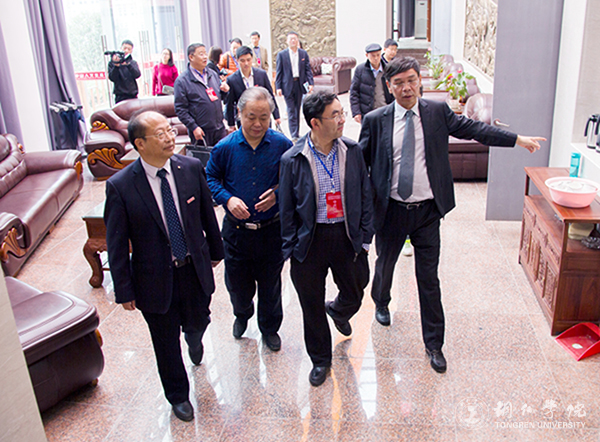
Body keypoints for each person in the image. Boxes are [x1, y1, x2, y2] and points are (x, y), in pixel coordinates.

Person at [359, 57, 545, 374]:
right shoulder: (376, 120)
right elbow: (359, 163)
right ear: (389, 86)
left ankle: (434, 344)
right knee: (385, 263)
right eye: (399, 83)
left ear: (419, 80)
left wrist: (516, 139)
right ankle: (381, 301)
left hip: (428, 212)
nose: (406, 88)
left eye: (411, 80)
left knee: (429, 279)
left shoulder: (436, 111)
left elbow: (474, 129)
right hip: (391, 211)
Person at [104, 110, 224, 422]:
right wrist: (124, 289)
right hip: (153, 279)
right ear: (140, 144)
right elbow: (116, 243)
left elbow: (207, 215)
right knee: (165, 343)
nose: (170, 137)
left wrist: (216, 250)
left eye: (170, 130)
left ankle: (195, 338)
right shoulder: (120, 186)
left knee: (199, 320)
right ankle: (178, 396)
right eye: (160, 134)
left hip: (194, 268)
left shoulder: (190, 168)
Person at [279, 91, 374, 387]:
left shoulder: (352, 150)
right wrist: (291, 248)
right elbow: (286, 208)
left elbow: (365, 194)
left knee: (356, 290)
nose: (342, 119)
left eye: (341, 113)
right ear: (315, 123)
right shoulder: (292, 159)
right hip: (310, 240)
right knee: (311, 304)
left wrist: (365, 239)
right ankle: (320, 360)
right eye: (335, 115)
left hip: (346, 235)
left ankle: (338, 310)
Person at [206, 87, 292, 351]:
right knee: (237, 284)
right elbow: (210, 178)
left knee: (270, 284)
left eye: (264, 117)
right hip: (237, 231)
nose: (257, 124)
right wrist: (228, 199)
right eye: (251, 117)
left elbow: (295, 178)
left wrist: (277, 195)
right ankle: (242, 313)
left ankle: (269, 328)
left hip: (271, 230)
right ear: (239, 113)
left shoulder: (282, 145)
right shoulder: (225, 147)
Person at [174, 43, 230, 146]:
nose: (205, 57)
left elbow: (219, 97)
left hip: (219, 128)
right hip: (201, 131)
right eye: (201, 54)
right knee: (204, 156)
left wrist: (225, 91)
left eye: (205, 53)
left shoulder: (212, 74)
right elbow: (180, 109)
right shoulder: (182, 81)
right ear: (191, 57)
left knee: (222, 154)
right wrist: (193, 127)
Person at [225, 46, 280, 130]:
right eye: (242, 61)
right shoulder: (232, 80)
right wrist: (231, 124)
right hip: (245, 119)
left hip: (262, 116)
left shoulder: (261, 75)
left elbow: (270, 95)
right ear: (237, 60)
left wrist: (276, 116)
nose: (246, 63)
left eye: (248, 60)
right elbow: (230, 104)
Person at [276, 31, 314, 141]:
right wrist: (278, 87)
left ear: (298, 41)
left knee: (297, 109)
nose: (293, 41)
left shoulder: (303, 54)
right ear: (287, 41)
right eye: (291, 39)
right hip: (287, 84)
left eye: (295, 39)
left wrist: (310, 83)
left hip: (299, 84)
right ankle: (293, 134)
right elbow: (279, 72)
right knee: (291, 109)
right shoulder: (282, 55)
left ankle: (296, 133)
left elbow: (308, 69)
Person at [349, 43, 393, 125]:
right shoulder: (360, 70)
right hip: (367, 112)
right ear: (367, 55)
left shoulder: (388, 69)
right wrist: (356, 112)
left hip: (385, 109)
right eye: (373, 56)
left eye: (378, 55)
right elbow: (354, 92)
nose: (376, 58)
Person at [108, 39, 141, 103]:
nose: (126, 51)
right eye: (125, 48)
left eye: (129, 49)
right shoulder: (112, 63)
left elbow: (137, 75)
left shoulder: (132, 62)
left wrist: (128, 65)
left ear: (131, 51)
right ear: (121, 48)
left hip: (132, 95)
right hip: (120, 96)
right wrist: (116, 66)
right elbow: (112, 78)